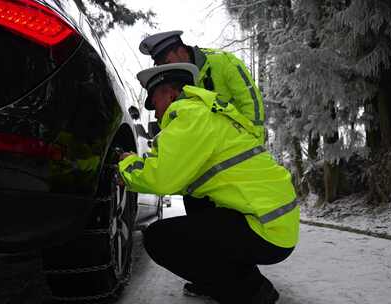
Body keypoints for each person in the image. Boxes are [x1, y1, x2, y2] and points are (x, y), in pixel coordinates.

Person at [117, 63, 299, 304]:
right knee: (195, 200)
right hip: (275, 223)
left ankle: (253, 293)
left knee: (159, 239)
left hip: (266, 230)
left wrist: (127, 165)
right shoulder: (207, 114)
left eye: (154, 101)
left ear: (170, 94)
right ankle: (225, 279)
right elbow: (180, 179)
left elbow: (161, 179)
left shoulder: (189, 116)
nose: (155, 112)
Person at [139, 30, 266, 217]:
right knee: (198, 217)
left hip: (231, 162)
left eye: (166, 63)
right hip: (197, 166)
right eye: (160, 66)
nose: (165, 69)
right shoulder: (175, 80)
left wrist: (252, 153)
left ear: (181, 50)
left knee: (235, 215)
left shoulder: (224, 63)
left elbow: (252, 107)